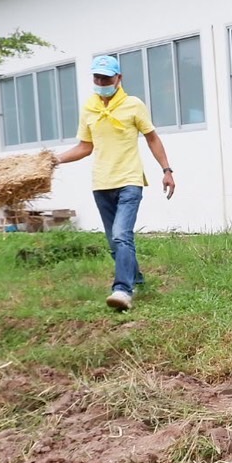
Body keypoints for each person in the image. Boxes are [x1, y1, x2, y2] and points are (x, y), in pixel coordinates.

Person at [53, 56, 176, 310]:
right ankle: (137, 279)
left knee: (121, 235)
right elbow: (85, 147)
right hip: (101, 184)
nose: (101, 82)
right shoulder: (89, 108)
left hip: (129, 180)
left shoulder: (133, 105)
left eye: (106, 78)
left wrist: (166, 170)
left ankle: (122, 290)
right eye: (97, 78)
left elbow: (152, 138)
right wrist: (54, 160)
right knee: (114, 243)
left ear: (118, 78)